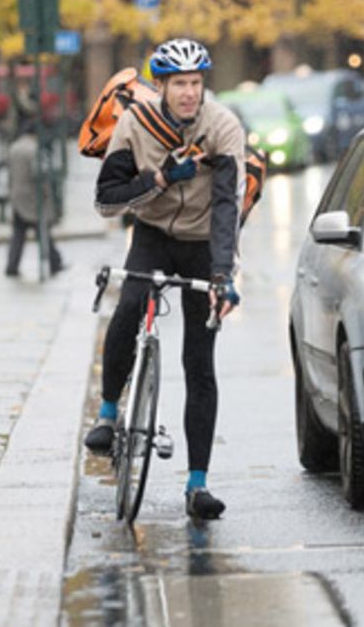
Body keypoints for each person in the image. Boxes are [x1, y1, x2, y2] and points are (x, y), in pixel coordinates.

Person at [85, 38, 245, 520]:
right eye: (180, 84)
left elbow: (225, 208)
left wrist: (222, 274)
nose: (190, 93)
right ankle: (110, 414)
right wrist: (158, 180)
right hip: (153, 234)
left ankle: (198, 485)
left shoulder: (223, 127)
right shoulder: (136, 123)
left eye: (196, 83)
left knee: (200, 360)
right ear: (162, 86)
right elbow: (106, 199)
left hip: (201, 245)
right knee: (130, 305)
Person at [4, 134, 64, 278]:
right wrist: (46, 193)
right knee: (42, 231)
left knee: (19, 233)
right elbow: (38, 173)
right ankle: (55, 263)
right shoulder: (34, 150)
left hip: (17, 196)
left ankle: (12, 265)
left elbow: (10, 174)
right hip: (32, 199)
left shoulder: (14, 148)